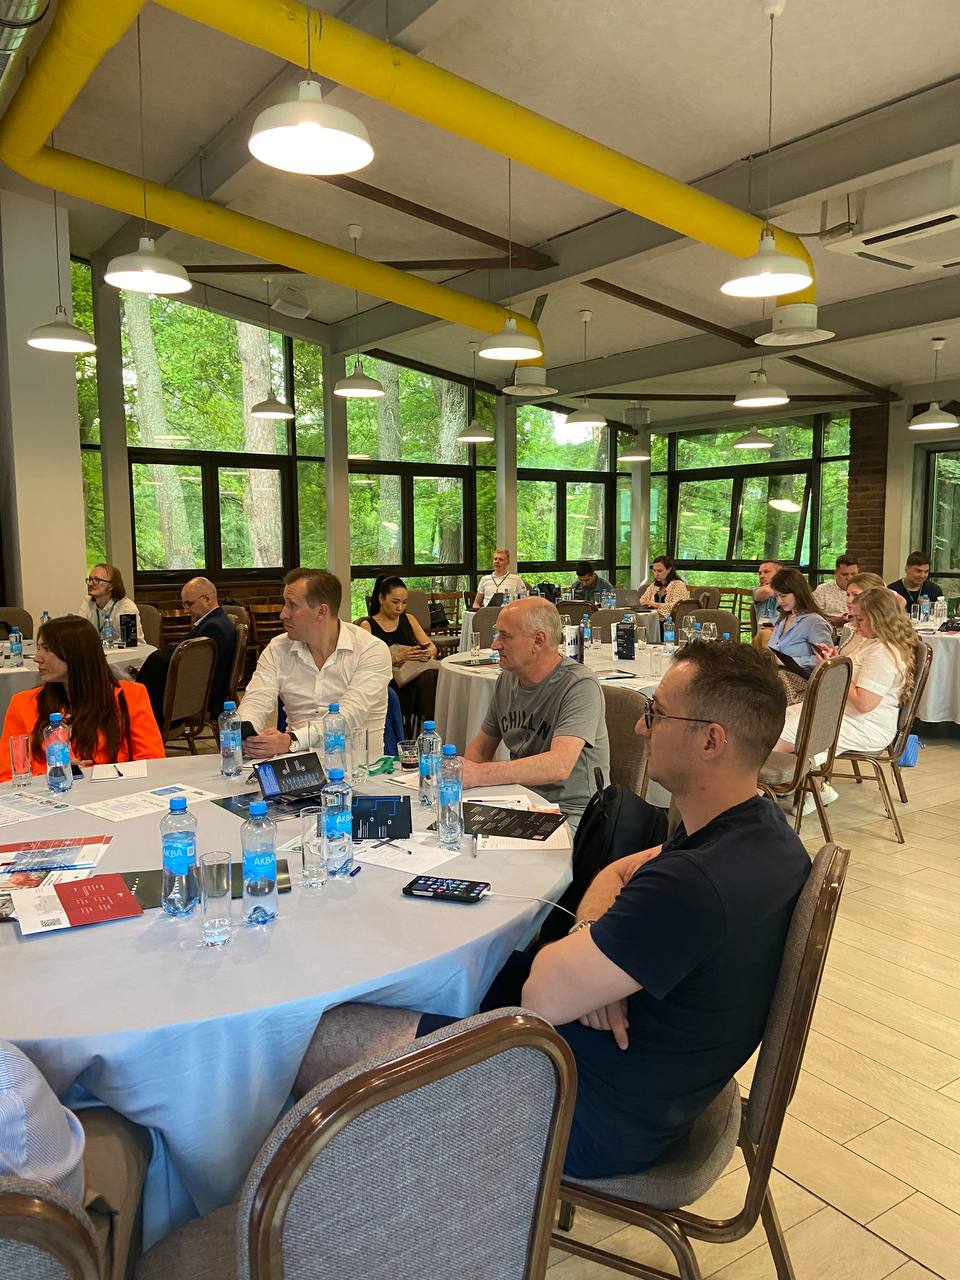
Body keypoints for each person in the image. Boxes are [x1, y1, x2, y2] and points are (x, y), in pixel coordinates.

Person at [293, 642, 809, 1182]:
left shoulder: (695, 884)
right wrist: (596, 951)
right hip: (634, 1072)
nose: (640, 728)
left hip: (579, 1110)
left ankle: (357, 1198)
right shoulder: (760, 834)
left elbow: (544, 996)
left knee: (314, 1037)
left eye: (656, 713)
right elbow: (619, 872)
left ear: (711, 740)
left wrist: (583, 964)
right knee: (438, 965)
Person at [459, 597, 609, 823]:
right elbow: (479, 752)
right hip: (519, 801)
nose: (495, 645)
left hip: (573, 813)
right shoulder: (507, 680)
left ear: (538, 641)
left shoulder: (579, 685)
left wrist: (479, 774)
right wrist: (459, 780)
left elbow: (559, 765)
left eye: (505, 636)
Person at [776, 588, 917, 805]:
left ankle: (759, 794)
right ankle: (806, 785)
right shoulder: (871, 641)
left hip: (865, 724)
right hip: (845, 714)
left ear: (879, 618)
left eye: (860, 619)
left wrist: (835, 669)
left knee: (777, 737)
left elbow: (863, 703)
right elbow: (853, 670)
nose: (855, 625)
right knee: (775, 722)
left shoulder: (883, 653)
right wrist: (836, 659)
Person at [238, 568, 392, 760]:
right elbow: (256, 700)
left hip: (358, 767)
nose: (283, 614)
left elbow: (349, 716)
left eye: (292, 605)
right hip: (296, 766)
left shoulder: (371, 650)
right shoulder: (277, 649)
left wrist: (292, 741)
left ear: (321, 611)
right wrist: (246, 733)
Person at [0, 617, 164, 781]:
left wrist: (93, 774)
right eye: (38, 648)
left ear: (76, 654)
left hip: (115, 791)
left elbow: (153, 763)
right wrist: (53, 774)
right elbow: (6, 776)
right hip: (50, 793)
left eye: (47, 649)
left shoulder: (129, 696)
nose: (37, 657)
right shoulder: (23, 704)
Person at [134, 577, 236, 725]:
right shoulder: (217, 621)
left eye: (189, 604)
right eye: (184, 604)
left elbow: (194, 669)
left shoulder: (213, 628)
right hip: (199, 691)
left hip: (197, 698)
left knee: (141, 688)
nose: (186, 610)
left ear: (207, 599)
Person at [359, 576, 438, 733]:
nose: (400, 607)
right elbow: (365, 663)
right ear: (381, 598)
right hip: (390, 679)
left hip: (416, 673)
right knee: (429, 679)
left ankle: (431, 726)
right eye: (395, 602)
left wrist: (425, 652)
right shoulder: (367, 626)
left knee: (433, 676)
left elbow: (432, 646)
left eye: (404, 602)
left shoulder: (409, 619)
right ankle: (428, 729)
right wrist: (399, 657)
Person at [767, 567, 833, 675]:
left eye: (783, 596)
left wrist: (786, 662)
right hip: (776, 676)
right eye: (776, 596)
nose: (779, 601)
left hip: (797, 680)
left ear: (798, 592)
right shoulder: (783, 619)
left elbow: (827, 660)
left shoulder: (814, 622)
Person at [76, 563, 144, 643]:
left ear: (111, 586)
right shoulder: (87, 601)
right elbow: (78, 633)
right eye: (90, 579)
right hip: (99, 650)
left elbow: (132, 642)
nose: (90, 584)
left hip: (127, 650)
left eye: (97, 580)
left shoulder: (126, 608)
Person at [637, 554, 689, 620]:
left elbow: (677, 606)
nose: (656, 574)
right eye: (654, 570)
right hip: (654, 620)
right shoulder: (654, 586)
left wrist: (653, 604)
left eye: (660, 571)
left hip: (670, 622)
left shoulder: (678, 585)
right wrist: (647, 603)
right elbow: (642, 600)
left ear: (669, 570)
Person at [813, 554, 859, 626]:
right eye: (844, 574)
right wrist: (837, 620)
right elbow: (813, 617)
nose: (849, 578)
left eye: (853, 574)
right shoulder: (822, 590)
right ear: (836, 573)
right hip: (831, 630)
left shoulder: (864, 590)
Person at [751, 560, 781, 649]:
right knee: (766, 633)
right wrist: (784, 585)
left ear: (779, 575)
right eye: (760, 573)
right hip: (761, 639)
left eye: (766, 572)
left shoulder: (791, 597)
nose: (761, 576)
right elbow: (766, 591)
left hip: (784, 638)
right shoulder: (757, 591)